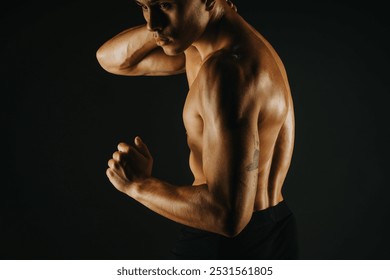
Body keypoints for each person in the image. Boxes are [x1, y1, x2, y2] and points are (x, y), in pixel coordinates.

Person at [96, 0, 298, 259]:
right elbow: (111, 60)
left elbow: (226, 216)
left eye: (165, 5)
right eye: (144, 7)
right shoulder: (208, 47)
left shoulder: (227, 71)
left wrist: (138, 185)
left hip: (223, 241)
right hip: (276, 230)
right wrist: (162, 26)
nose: (151, 22)